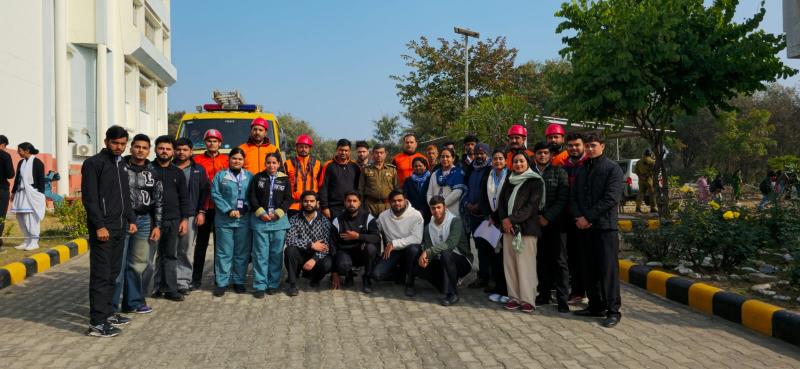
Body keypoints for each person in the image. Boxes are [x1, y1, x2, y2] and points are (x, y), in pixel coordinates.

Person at [81, 125, 137, 338]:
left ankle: (108, 313)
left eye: (123, 144)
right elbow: (90, 198)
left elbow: (125, 196)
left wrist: (130, 219)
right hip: (103, 229)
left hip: (120, 226)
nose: (119, 147)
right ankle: (97, 323)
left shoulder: (122, 164)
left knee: (114, 274)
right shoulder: (94, 163)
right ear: (106, 141)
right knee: (101, 276)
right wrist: (99, 225)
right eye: (115, 143)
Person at [571, 133, 624, 328]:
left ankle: (613, 311)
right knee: (588, 268)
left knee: (607, 270)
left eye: (593, 145)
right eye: (588, 146)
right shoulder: (582, 169)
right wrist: (579, 217)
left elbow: (611, 198)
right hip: (584, 227)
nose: (590, 149)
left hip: (604, 227)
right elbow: (574, 196)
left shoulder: (612, 169)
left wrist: (588, 217)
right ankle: (595, 305)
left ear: (602, 146)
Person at [111, 134, 162, 317]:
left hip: (145, 220)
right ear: (131, 148)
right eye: (137, 146)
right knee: (118, 264)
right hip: (122, 220)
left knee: (137, 264)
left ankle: (133, 302)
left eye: (144, 147)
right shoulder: (119, 167)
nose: (140, 150)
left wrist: (157, 225)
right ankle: (111, 306)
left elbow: (158, 200)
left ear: (149, 150)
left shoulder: (153, 171)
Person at [498, 151, 545, 314]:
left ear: (528, 163)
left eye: (521, 161)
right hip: (507, 229)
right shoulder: (509, 180)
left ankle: (528, 300)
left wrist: (511, 220)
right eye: (516, 162)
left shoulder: (535, 181)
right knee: (510, 264)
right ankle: (514, 297)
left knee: (526, 265)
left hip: (526, 229)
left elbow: (530, 207)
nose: (518, 164)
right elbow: (502, 202)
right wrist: (504, 220)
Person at [150, 136, 192, 302]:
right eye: (161, 148)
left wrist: (184, 219)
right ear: (155, 150)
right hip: (151, 221)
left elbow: (184, 197)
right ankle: (153, 287)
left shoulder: (178, 172)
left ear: (172, 152)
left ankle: (170, 289)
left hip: (173, 220)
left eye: (168, 149)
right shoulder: (149, 169)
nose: (164, 152)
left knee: (170, 255)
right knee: (151, 257)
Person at [531, 142, 570, 313]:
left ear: (550, 155)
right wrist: (537, 217)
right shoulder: (529, 173)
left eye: (546, 153)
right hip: (535, 223)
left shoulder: (559, 172)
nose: (542, 156)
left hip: (556, 224)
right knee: (541, 260)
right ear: (534, 155)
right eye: (539, 153)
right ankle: (543, 294)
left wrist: (547, 217)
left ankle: (562, 299)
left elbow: (563, 198)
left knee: (560, 261)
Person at [415, 195, 473, 306]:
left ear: (445, 207)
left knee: (446, 253)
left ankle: (452, 293)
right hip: (442, 261)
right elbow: (428, 248)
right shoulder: (428, 227)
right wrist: (426, 258)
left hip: (462, 260)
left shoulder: (455, 221)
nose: (436, 210)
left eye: (438, 207)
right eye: (433, 208)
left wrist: (428, 252)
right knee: (419, 265)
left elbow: (451, 244)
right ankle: (446, 284)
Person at [248, 153, 292, 298]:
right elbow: (252, 196)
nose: (271, 165)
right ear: (265, 164)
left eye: (274, 162)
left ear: (279, 164)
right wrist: (260, 212)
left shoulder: (285, 179)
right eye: (268, 162)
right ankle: (260, 285)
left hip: (278, 222)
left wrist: (279, 212)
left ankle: (273, 284)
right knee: (260, 254)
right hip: (261, 221)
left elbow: (288, 198)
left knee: (276, 254)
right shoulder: (257, 177)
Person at [210, 148, 253, 297]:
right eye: (234, 158)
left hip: (243, 220)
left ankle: (238, 281)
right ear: (229, 159)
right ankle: (222, 282)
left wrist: (243, 209)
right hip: (224, 220)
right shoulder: (221, 176)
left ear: (244, 161)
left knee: (241, 253)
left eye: (240, 159)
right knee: (224, 253)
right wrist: (228, 210)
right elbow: (215, 194)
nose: (237, 161)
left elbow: (253, 195)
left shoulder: (249, 176)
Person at [191, 129, 229, 289]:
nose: (212, 143)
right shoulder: (197, 160)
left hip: (221, 208)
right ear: (205, 142)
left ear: (220, 143)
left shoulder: (226, 160)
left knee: (220, 246)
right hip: (203, 208)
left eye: (215, 141)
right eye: (209, 140)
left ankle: (219, 278)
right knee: (201, 244)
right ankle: (196, 279)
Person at [173, 138, 209, 294]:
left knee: (185, 250)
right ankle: (166, 281)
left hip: (191, 215)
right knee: (168, 250)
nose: (182, 152)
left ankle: (183, 282)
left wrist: (201, 211)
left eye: (185, 149)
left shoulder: (198, 170)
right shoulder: (168, 167)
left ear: (191, 151)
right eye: (179, 149)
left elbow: (204, 192)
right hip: (170, 215)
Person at [373, 190, 424, 297]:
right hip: (393, 251)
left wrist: (394, 243)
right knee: (377, 275)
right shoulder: (383, 216)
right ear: (389, 202)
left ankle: (410, 282)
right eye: (394, 201)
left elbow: (417, 238)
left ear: (405, 200)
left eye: (400, 200)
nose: (397, 203)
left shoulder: (416, 215)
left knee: (414, 249)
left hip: (409, 250)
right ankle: (400, 274)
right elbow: (374, 230)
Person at [283, 191, 334, 296]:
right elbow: (289, 240)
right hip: (300, 253)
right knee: (289, 250)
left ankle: (315, 279)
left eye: (312, 201)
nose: (309, 204)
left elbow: (326, 246)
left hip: (316, 255)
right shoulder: (294, 219)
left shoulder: (325, 222)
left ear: (317, 203)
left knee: (327, 263)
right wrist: (310, 244)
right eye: (306, 201)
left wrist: (314, 259)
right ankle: (292, 283)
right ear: (301, 203)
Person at [330, 191, 381, 293]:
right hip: (345, 253)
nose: (351, 203)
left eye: (354, 201)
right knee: (343, 264)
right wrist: (334, 273)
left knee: (371, 248)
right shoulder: (337, 220)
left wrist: (358, 236)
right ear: (344, 202)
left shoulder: (368, 217)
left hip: (362, 253)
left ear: (359, 203)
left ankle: (367, 278)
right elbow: (333, 246)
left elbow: (376, 238)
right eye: (349, 201)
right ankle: (348, 274)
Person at [563, 132, 589, 305]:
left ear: (584, 146)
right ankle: (577, 291)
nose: (573, 148)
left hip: (586, 219)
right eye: (570, 145)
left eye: (577, 145)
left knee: (585, 257)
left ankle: (587, 292)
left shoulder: (588, 165)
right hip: (568, 217)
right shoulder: (564, 166)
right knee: (571, 257)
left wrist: (584, 216)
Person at [479, 149, 509, 300]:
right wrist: (489, 215)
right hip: (491, 221)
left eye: (501, 158)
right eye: (495, 159)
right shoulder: (488, 175)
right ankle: (498, 288)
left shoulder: (510, 176)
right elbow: (483, 197)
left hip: (506, 221)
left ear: (505, 160)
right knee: (494, 257)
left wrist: (498, 217)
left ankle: (506, 290)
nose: (498, 161)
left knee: (505, 257)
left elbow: (508, 200)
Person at [463, 144, 492, 289]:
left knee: (490, 246)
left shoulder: (491, 169)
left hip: (486, 215)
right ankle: (482, 277)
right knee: (479, 247)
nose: (479, 156)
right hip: (473, 214)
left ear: (487, 154)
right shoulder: (471, 168)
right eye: (477, 153)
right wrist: (467, 203)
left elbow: (491, 191)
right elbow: (466, 187)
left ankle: (492, 278)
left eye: (482, 153)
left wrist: (480, 205)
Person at [10, 142, 46, 251]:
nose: (18, 153)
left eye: (19, 150)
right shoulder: (21, 163)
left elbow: (41, 180)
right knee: (20, 217)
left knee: (30, 217)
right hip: (21, 194)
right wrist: (13, 192)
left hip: (32, 193)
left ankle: (34, 242)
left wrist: (40, 195)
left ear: (27, 151)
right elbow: (17, 179)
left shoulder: (38, 163)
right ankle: (27, 240)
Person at [319, 139, 360, 220]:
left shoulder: (355, 166)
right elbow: (323, 187)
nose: (343, 152)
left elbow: (358, 187)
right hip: (333, 208)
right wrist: (324, 207)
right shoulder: (328, 165)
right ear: (337, 150)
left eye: (346, 150)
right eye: (341, 150)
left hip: (351, 206)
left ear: (350, 151)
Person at [284, 134, 322, 215]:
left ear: (310, 148)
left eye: (306, 147)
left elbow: (321, 185)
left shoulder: (317, 164)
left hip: (312, 205)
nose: (303, 149)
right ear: (296, 148)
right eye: (301, 147)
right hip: (293, 206)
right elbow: (284, 185)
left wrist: (319, 202)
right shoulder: (288, 163)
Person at [359, 144, 399, 216]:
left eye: (381, 153)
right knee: (371, 226)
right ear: (372, 154)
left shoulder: (392, 169)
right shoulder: (366, 169)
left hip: (387, 206)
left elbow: (396, 188)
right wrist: (360, 205)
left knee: (386, 227)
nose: (379, 155)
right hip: (370, 206)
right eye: (376, 153)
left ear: (385, 154)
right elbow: (361, 189)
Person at [426, 148, 466, 217]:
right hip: (436, 213)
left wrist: (441, 205)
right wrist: (433, 206)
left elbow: (457, 192)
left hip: (452, 212)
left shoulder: (458, 172)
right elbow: (429, 193)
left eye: (447, 156)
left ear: (453, 158)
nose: (444, 159)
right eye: (442, 157)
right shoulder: (435, 174)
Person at [402, 157, 432, 224]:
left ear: (425, 166)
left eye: (420, 166)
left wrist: (423, 210)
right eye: (415, 166)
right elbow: (405, 196)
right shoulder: (408, 180)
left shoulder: (431, 179)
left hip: (429, 212)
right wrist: (413, 211)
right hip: (412, 213)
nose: (418, 168)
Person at [0, 135, 14, 249]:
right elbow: (11, 174)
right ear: (3, 144)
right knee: (0, 216)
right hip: (2, 189)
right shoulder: (5, 156)